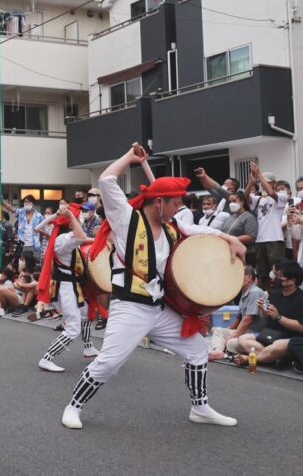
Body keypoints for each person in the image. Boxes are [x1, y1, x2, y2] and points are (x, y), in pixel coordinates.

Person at [60, 147, 247, 431]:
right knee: (109, 364)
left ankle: (200, 408)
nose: (178, 210)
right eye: (174, 204)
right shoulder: (126, 219)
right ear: (159, 202)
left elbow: (198, 231)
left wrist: (227, 238)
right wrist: (128, 157)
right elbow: (107, 181)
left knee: (197, 349)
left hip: (159, 308)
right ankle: (74, 406)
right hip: (130, 306)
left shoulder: (172, 227)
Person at [35, 204, 99, 372]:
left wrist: (102, 240)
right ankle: (47, 358)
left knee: (85, 313)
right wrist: (70, 215)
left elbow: (82, 238)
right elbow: (80, 236)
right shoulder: (63, 240)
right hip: (65, 286)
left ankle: (88, 347)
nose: (79, 220)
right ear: (70, 222)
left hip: (72, 284)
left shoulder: (64, 237)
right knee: (73, 327)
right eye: (77, 218)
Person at [233, 260, 303, 368]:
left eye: (280, 276)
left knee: (276, 347)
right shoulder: (275, 294)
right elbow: (267, 319)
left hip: (291, 339)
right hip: (271, 335)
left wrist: (278, 317)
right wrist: (262, 309)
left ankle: (253, 359)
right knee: (242, 340)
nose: (275, 278)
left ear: (292, 280)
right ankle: (274, 358)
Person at [245, 163, 289, 290]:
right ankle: (266, 296)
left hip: (274, 239)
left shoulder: (282, 196)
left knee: (277, 272)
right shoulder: (259, 199)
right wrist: (251, 183)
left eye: (267, 182)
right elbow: (245, 197)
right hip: (260, 240)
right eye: (262, 182)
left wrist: (258, 174)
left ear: (274, 183)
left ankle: (279, 295)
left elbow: (271, 192)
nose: (263, 184)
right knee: (263, 273)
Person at [208, 266, 266, 360]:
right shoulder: (244, 291)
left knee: (231, 343)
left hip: (254, 334)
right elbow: (240, 317)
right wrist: (231, 330)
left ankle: (227, 351)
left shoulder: (255, 292)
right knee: (218, 330)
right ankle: (219, 351)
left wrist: (233, 336)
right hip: (244, 332)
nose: (236, 278)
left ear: (249, 277)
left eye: (239, 275)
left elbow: (248, 319)